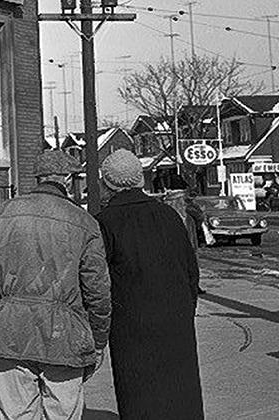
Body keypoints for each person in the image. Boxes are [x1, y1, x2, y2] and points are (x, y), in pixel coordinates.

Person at [0, 149, 111, 420]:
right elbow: (97, 289)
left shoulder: (5, 213)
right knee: (63, 413)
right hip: (65, 335)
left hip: (12, 330)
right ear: (66, 179)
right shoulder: (84, 222)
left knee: (16, 413)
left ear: (40, 178)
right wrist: (99, 339)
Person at [96, 149, 204, 420]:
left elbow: (98, 280)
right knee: (181, 392)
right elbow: (191, 269)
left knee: (139, 395)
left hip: (131, 324)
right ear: (139, 180)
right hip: (175, 319)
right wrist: (186, 309)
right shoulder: (168, 215)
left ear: (107, 183)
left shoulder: (105, 222)